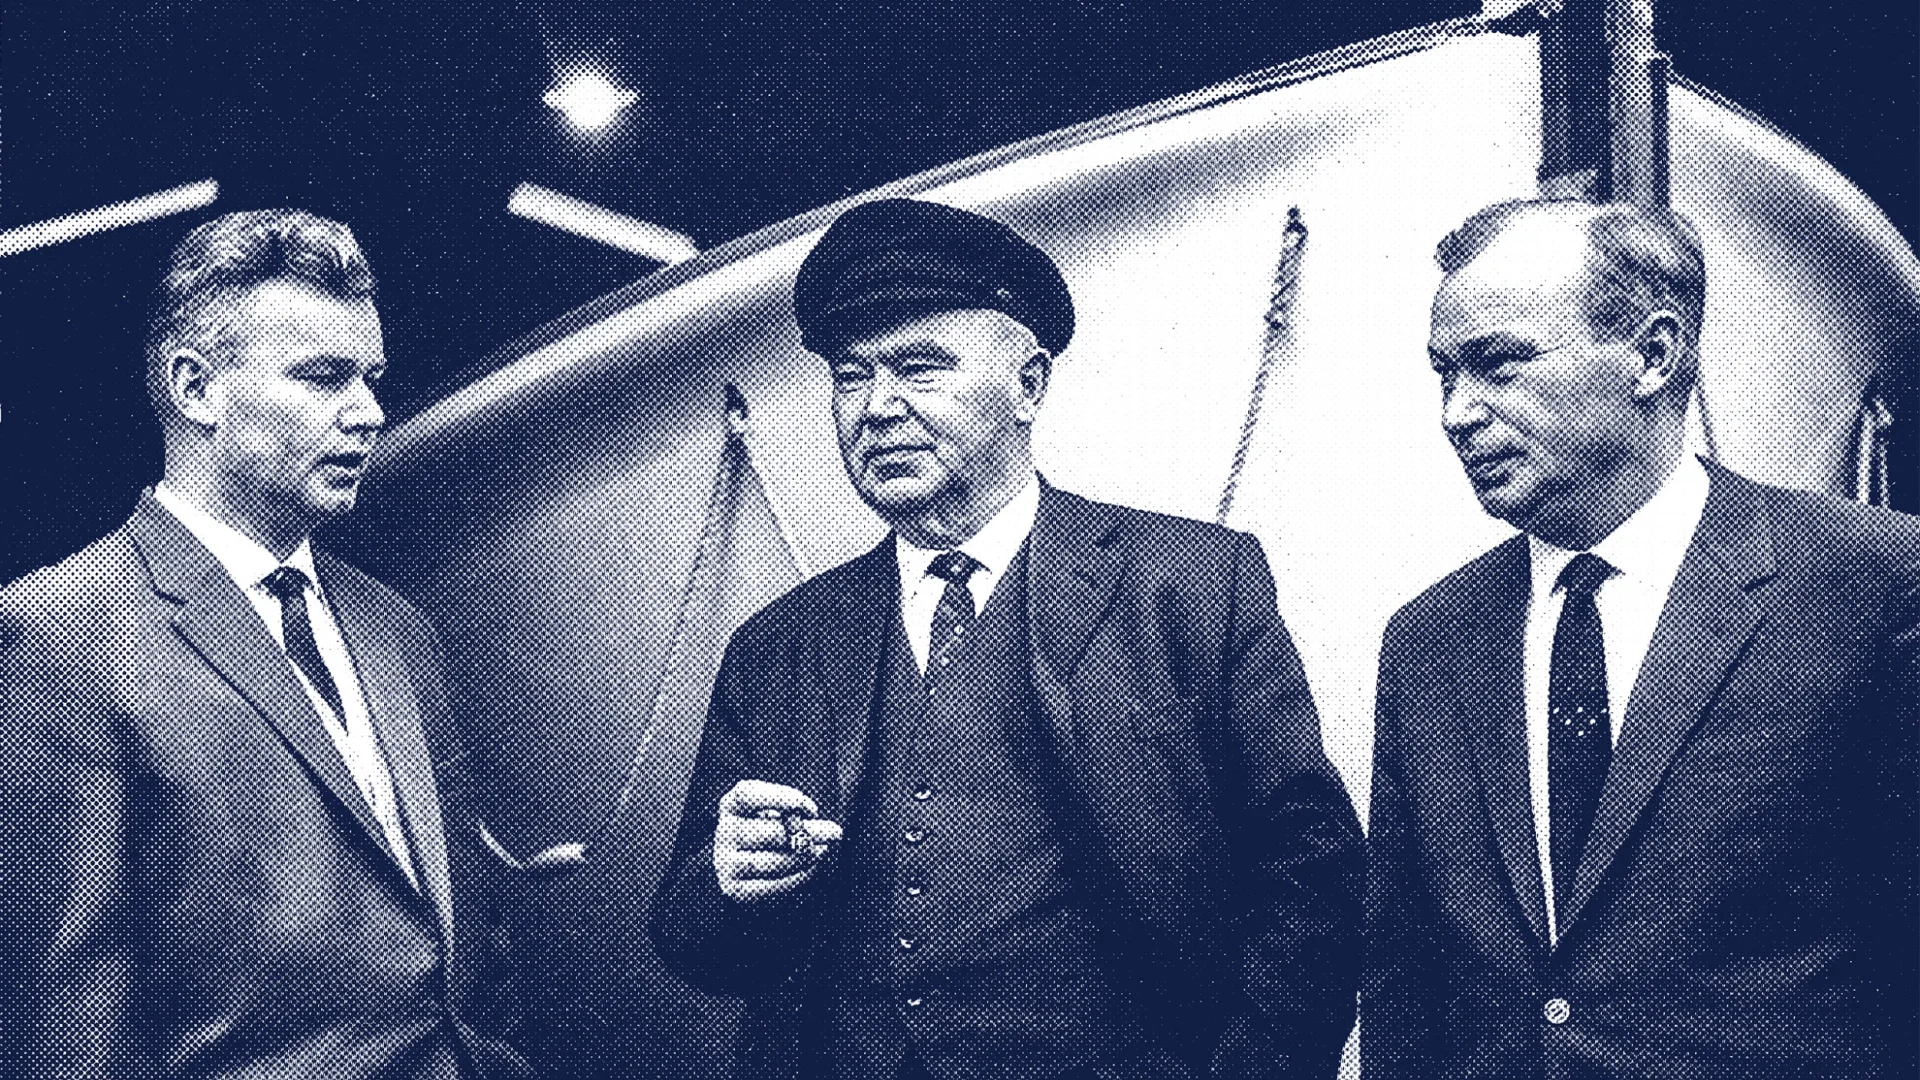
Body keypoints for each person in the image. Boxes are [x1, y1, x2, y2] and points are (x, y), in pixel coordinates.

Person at [648, 198, 1364, 1080]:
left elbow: (1312, 876)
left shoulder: (1189, 584)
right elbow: (693, 941)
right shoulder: (778, 647)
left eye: (919, 368)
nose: (876, 408)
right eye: (850, 375)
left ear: (1028, 384)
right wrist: (728, 887)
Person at [1362, 197, 1920, 1078]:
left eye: (1499, 366)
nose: (1456, 413)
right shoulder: (1431, 641)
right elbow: (1405, 988)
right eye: (1442, 376)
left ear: (1654, 355)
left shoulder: (1870, 583)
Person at [0, 209, 533, 1079]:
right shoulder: (55, 636)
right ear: (197, 389)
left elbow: (468, 952)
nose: (369, 411)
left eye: (372, 377)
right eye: (325, 378)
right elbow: (65, 1033)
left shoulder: (396, 628)